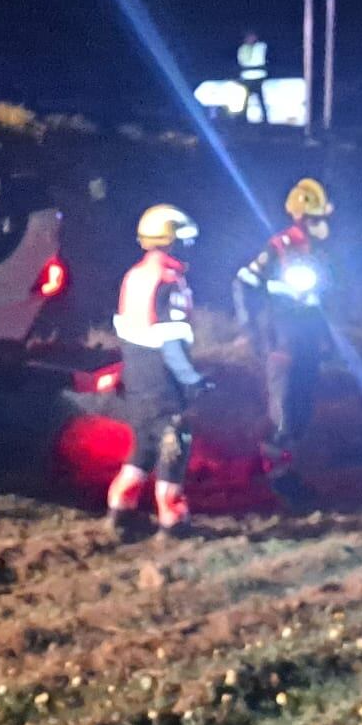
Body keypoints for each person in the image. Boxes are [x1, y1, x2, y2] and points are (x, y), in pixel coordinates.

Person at [107, 204, 208, 541]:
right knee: (173, 445)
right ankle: (173, 521)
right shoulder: (169, 282)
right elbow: (171, 340)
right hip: (163, 381)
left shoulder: (134, 275)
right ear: (171, 242)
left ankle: (120, 509)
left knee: (145, 445)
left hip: (136, 377)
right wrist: (192, 381)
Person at [234, 177, 334, 511]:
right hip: (282, 342)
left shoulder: (319, 252)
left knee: (302, 409)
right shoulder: (278, 247)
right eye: (317, 218)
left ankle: (276, 465)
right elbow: (244, 282)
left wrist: (326, 339)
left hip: (306, 343)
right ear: (301, 217)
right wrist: (251, 327)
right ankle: (277, 477)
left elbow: (321, 300)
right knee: (284, 412)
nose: (323, 225)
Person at [236, 32, 269, 123]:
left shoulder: (261, 46)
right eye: (249, 37)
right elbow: (242, 61)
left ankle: (265, 118)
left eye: (252, 37)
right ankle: (244, 119)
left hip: (258, 77)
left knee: (260, 98)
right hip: (247, 77)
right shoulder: (242, 48)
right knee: (246, 99)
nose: (250, 39)